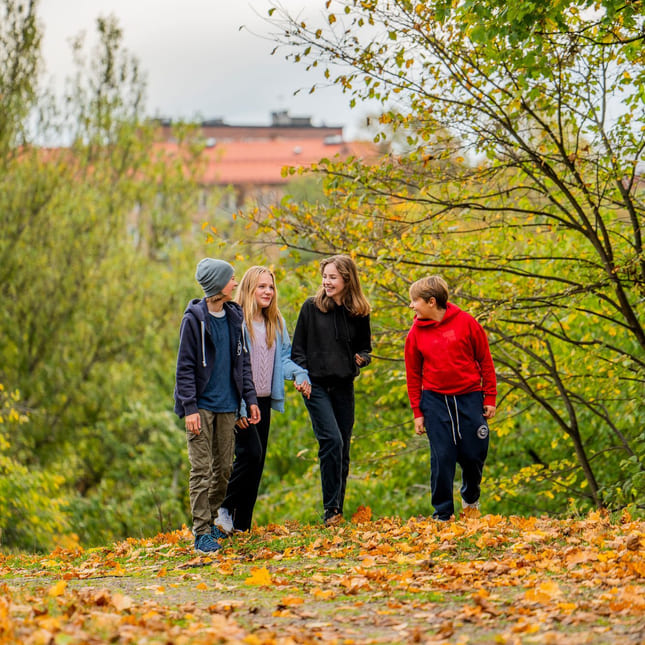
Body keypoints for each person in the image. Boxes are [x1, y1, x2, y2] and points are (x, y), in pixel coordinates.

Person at [174, 258, 260, 554]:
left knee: (223, 470)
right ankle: (201, 533)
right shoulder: (194, 320)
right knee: (200, 469)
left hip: (227, 407)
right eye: (231, 279)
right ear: (218, 285)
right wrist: (189, 408)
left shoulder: (235, 317)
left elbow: (243, 364)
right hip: (200, 408)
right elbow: (184, 368)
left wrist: (249, 400)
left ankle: (209, 521)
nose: (235, 283)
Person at [217, 266, 311, 533]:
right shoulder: (235, 321)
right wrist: (240, 408)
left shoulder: (276, 322)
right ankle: (222, 507)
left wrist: (300, 375)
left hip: (265, 400)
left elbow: (283, 359)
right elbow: (229, 367)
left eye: (271, 287)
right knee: (250, 454)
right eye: (262, 286)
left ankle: (241, 526)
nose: (268, 291)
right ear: (249, 288)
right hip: (242, 402)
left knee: (257, 463)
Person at [404, 275, 497, 521]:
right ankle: (443, 513)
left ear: (432, 302)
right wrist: (417, 412)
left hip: (469, 397)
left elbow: (485, 361)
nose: (412, 306)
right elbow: (413, 375)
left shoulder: (466, 323)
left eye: (415, 301)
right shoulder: (415, 333)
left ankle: (470, 497)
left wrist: (490, 397)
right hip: (435, 401)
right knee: (442, 456)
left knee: (474, 453)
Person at [291, 255, 372, 526]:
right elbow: (297, 350)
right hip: (315, 387)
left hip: (343, 386)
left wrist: (362, 358)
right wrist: (300, 377)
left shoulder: (359, 312)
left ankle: (337, 511)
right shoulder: (311, 308)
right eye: (325, 276)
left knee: (344, 447)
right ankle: (329, 509)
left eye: (333, 277)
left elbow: (365, 348)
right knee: (331, 441)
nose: (327, 281)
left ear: (347, 280)